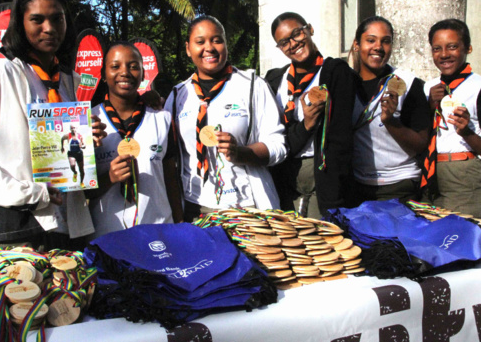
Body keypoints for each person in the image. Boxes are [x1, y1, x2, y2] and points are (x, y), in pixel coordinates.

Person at [0, 0, 106, 254]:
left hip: (71, 229)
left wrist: (89, 140)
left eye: (57, 19)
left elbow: (68, 151)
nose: (49, 28)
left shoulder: (73, 82)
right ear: (20, 23)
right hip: (16, 229)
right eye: (37, 19)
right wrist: (26, 194)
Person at [166, 15, 287, 222]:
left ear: (225, 44)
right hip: (197, 209)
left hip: (247, 208)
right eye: (200, 41)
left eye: (216, 40)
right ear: (188, 48)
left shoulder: (252, 86)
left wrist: (241, 152)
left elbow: (279, 147)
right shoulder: (178, 95)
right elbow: (168, 157)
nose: (209, 48)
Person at [265, 12, 355, 217]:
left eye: (297, 33)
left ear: (310, 29)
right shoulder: (275, 79)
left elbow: (340, 135)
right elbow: (272, 133)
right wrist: (306, 125)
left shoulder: (334, 72)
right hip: (285, 174)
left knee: (318, 240)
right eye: (284, 42)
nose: (293, 44)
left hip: (322, 176)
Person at [88, 41, 183, 237]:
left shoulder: (161, 118)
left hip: (158, 230)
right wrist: (109, 178)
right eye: (115, 66)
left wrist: (180, 224)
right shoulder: (90, 122)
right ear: (103, 75)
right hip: (107, 234)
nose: (125, 72)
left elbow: (170, 178)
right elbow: (80, 193)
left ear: (142, 74)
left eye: (133, 66)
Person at [422, 19, 481, 218]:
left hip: (462, 176)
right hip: (427, 173)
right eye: (436, 48)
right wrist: (429, 107)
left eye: (452, 47)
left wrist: (466, 132)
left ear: (468, 47)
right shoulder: (428, 89)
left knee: (458, 240)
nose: (444, 54)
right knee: (429, 241)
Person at [350, 16, 430, 204]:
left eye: (385, 41)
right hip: (357, 185)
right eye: (371, 40)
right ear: (356, 44)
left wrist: (390, 121)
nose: (378, 47)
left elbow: (420, 144)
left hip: (399, 185)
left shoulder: (408, 84)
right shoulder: (346, 85)